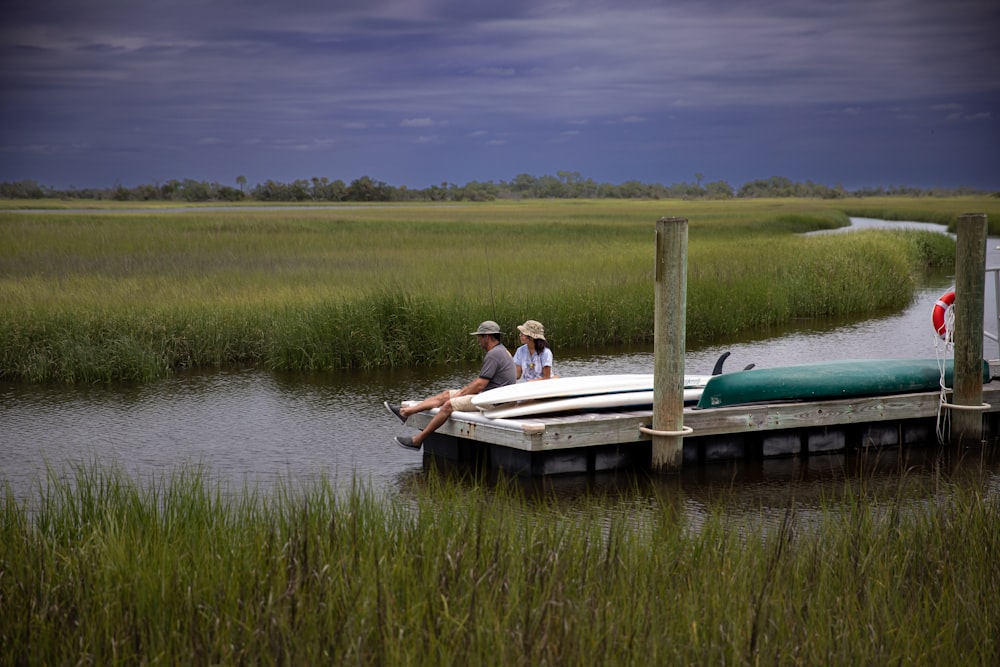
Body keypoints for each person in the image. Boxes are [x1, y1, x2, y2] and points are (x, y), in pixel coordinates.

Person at [383, 320, 516, 451]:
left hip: (493, 401)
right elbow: (480, 382)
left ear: (487, 337)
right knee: (446, 394)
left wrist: (460, 395)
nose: (478, 341)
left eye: (479, 337)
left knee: (448, 405)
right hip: (491, 395)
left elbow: (480, 385)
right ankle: (406, 412)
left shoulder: (494, 354)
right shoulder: (501, 351)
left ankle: (418, 440)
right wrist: (463, 391)